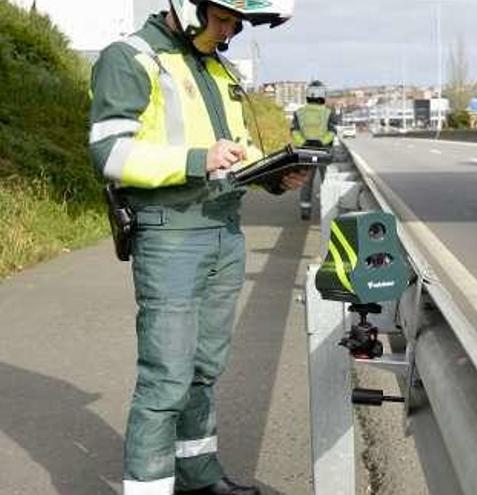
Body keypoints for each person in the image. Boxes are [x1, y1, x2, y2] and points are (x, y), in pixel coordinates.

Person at [88, 1, 301, 494]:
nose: (229, 31)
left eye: (237, 23)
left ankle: (199, 477)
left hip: (224, 231)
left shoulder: (214, 66)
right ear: (189, 6)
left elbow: (236, 152)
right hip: (171, 237)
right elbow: (110, 153)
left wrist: (272, 178)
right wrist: (196, 160)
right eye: (223, 18)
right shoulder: (131, 58)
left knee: (203, 371)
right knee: (166, 379)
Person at [290, 80, 337, 220]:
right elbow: (333, 131)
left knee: (306, 182)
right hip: (324, 152)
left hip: (305, 152)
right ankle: (327, 211)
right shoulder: (329, 112)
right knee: (326, 183)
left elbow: (294, 131)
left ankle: (305, 211)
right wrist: (321, 142)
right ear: (322, 94)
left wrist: (304, 142)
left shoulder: (299, 112)